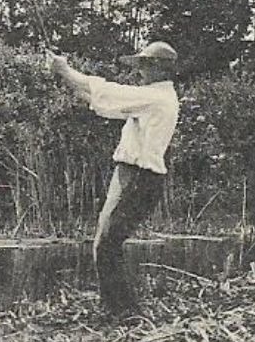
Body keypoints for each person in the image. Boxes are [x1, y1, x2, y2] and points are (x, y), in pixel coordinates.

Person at [49, 41, 181, 317]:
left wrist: (65, 70)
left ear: (160, 69)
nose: (140, 71)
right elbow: (105, 104)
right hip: (132, 175)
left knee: (105, 246)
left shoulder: (156, 97)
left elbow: (109, 92)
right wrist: (67, 79)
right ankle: (120, 310)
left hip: (139, 177)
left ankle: (124, 313)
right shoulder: (152, 98)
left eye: (145, 65)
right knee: (106, 244)